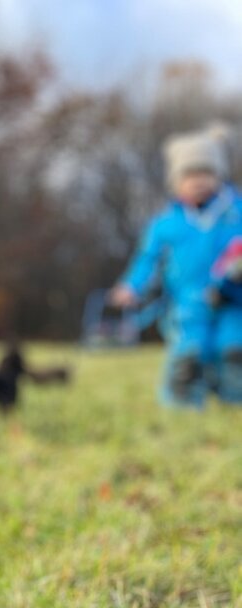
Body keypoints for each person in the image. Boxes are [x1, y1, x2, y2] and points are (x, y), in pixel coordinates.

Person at [110, 124, 242, 408]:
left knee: (233, 347)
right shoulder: (166, 224)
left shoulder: (236, 213)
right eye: (189, 175)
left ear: (218, 175)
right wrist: (132, 286)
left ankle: (235, 400)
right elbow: (147, 259)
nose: (198, 181)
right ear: (176, 181)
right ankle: (183, 402)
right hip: (188, 301)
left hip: (234, 299)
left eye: (205, 173)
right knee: (190, 351)